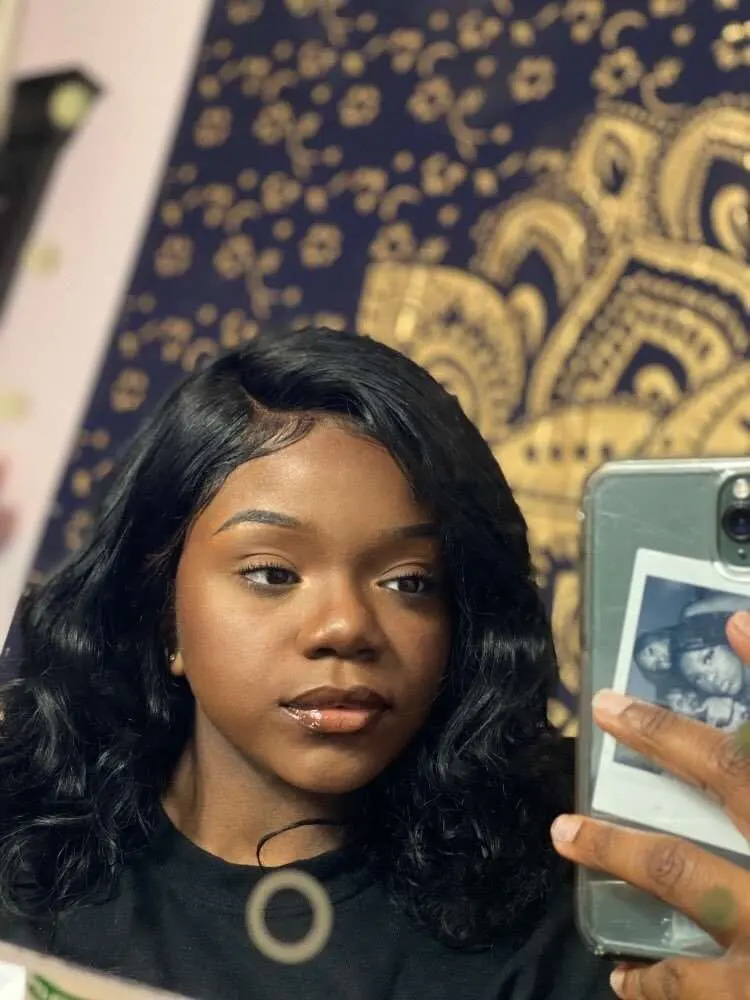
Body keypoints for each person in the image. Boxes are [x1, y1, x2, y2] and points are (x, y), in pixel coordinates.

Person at [1, 328, 750, 1000]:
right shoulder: (23, 865)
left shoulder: (578, 904)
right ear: (165, 613)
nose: (347, 627)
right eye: (272, 573)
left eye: (409, 582)